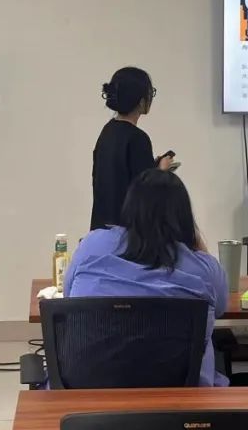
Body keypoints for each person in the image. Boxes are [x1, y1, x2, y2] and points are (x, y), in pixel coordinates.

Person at [67, 169, 228, 387]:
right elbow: (220, 307)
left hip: (89, 391)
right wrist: (195, 243)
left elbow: (69, 302)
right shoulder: (204, 267)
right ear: (183, 216)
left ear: (129, 208)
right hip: (179, 396)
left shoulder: (91, 245)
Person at [91, 66, 174, 229]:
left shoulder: (107, 131)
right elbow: (145, 192)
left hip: (101, 230)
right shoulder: (138, 138)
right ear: (141, 102)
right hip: (127, 233)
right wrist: (161, 171)